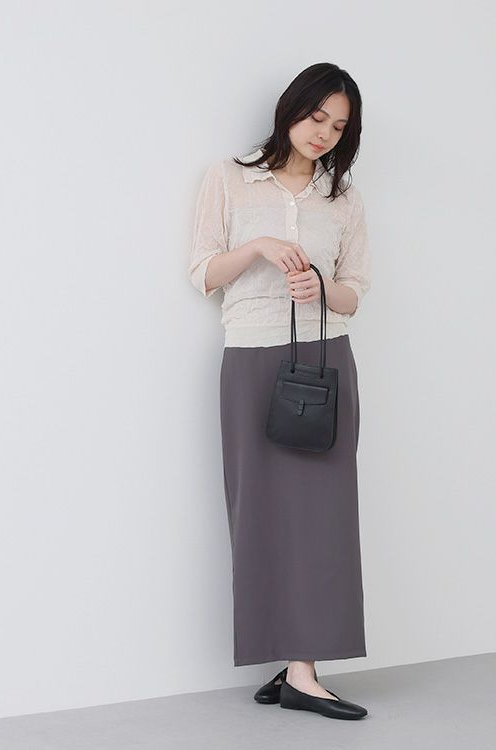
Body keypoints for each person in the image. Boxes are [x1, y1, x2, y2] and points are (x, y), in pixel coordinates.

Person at [188, 62, 371, 721]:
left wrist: (322, 286)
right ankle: (286, 660)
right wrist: (260, 247)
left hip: (324, 361)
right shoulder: (230, 178)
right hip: (251, 359)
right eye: (317, 116)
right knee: (260, 511)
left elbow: (356, 292)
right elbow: (203, 271)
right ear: (290, 109)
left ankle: (303, 669)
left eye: (339, 126)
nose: (324, 133)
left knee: (324, 515)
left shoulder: (342, 199)